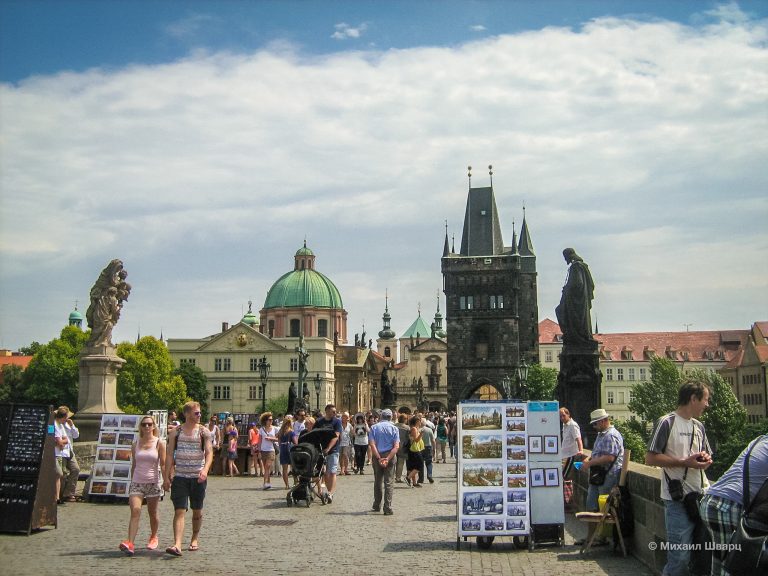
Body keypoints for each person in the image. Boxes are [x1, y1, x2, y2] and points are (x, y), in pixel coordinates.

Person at [646, 380, 713, 576]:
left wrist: (705, 459)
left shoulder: (698, 426)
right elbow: (650, 458)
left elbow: (707, 456)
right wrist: (685, 462)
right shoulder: (667, 422)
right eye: (705, 400)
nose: (707, 405)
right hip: (678, 500)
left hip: (700, 496)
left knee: (701, 557)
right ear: (693, 398)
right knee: (680, 558)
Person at [699, 434, 768, 576]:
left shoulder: (760, 440)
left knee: (721, 565)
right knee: (732, 567)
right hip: (726, 507)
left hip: (714, 501)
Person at [163, 401, 213, 557]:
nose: (199, 415)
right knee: (179, 510)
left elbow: (209, 453)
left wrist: (205, 470)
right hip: (180, 477)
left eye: (199, 413)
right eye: (196, 413)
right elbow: (169, 454)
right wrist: (166, 477)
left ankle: (194, 538)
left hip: (198, 477)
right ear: (187, 414)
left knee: (197, 511)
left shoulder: (204, 432)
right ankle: (177, 544)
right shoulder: (175, 433)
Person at [119, 415, 167, 556]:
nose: (146, 427)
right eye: (144, 424)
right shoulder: (136, 444)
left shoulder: (159, 443)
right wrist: (131, 481)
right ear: (140, 427)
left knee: (152, 513)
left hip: (152, 482)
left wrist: (166, 481)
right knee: (135, 510)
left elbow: (163, 464)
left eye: (149, 424)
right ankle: (130, 543)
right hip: (137, 482)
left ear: (153, 426)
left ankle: (153, 536)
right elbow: (134, 464)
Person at [575, 408, 624, 546]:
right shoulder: (602, 434)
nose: (594, 427)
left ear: (603, 421)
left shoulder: (611, 435)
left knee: (603, 508)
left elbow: (609, 457)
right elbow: (598, 453)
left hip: (608, 476)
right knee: (591, 506)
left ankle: (600, 538)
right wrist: (588, 460)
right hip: (598, 475)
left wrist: (589, 463)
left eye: (595, 424)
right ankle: (590, 537)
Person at [555, 248, 596, 346]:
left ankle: (571, 335)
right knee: (561, 311)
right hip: (580, 299)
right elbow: (590, 284)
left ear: (569, 255)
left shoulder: (576, 266)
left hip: (576, 301)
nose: (565, 260)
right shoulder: (582, 266)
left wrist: (566, 289)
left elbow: (578, 283)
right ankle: (571, 334)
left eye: (565, 257)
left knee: (559, 310)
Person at [368, 408, 400, 515]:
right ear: (391, 417)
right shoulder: (394, 429)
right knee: (389, 482)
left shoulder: (374, 427)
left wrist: (378, 458)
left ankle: (377, 504)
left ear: (381, 417)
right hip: (390, 456)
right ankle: (387, 507)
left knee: (378, 481)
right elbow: (396, 447)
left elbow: (372, 444)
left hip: (377, 455)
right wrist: (388, 458)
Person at [313, 404, 343, 503]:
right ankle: (328, 492)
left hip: (333, 450)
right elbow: (314, 434)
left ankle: (330, 493)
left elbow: (336, 436)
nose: (335, 413)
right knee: (326, 473)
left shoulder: (337, 422)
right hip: (321, 450)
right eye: (333, 411)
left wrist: (329, 448)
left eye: (335, 411)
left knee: (332, 471)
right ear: (327, 411)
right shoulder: (319, 422)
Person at [53, 406, 79, 504]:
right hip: (58, 453)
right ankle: (59, 496)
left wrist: (72, 426)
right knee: (61, 474)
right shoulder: (54, 424)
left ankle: (66, 493)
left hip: (67, 451)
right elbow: (59, 441)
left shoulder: (65, 425)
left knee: (75, 469)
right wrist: (62, 441)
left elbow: (69, 438)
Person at [560, 407, 584, 478]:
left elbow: (578, 438)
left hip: (571, 456)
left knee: (565, 477)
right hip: (565, 456)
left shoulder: (572, 425)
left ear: (568, 414)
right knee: (563, 477)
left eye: (563, 415)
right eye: (560, 416)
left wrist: (581, 450)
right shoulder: (564, 425)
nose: (562, 418)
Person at [258, 412, 279, 490]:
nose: (271, 421)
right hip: (263, 450)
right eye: (269, 419)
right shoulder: (261, 429)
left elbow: (278, 439)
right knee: (266, 468)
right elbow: (259, 441)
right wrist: (259, 451)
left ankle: (265, 483)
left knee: (267, 466)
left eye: (272, 419)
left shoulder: (275, 428)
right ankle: (268, 483)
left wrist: (271, 439)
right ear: (265, 420)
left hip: (271, 450)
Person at [278, 416, 297, 489]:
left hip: (283, 449)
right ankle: (295, 483)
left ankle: (287, 485)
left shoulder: (281, 431)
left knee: (284, 469)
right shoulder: (291, 432)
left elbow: (279, 442)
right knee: (294, 468)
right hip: (290, 449)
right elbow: (295, 442)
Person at [406, 415, 425, 488]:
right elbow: (416, 440)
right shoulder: (414, 429)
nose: (420, 422)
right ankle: (408, 477)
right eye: (419, 421)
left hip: (416, 449)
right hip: (414, 449)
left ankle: (414, 482)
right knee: (420, 465)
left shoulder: (416, 428)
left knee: (413, 466)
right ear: (416, 422)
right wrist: (421, 434)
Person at [395, 413, 410, 483]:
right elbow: (408, 438)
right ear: (404, 419)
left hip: (394, 446)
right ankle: (398, 477)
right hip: (403, 446)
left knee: (393, 462)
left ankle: (392, 476)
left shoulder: (394, 426)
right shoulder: (407, 428)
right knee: (400, 463)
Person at [420, 417, 435, 483]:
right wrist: (433, 448)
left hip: (420, 448)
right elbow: (433, 440)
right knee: (429, 463)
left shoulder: (419, 430)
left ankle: (421, 478)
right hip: (428, 447)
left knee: (420, 463)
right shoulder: (429, 430)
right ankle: (429, 475)